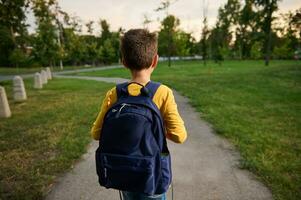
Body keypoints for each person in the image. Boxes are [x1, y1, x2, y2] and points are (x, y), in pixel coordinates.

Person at [91, 29, 187, 200]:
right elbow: (180, 136)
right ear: (155, 60)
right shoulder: (163, 93)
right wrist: (155, 130)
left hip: (123, 175)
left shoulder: (114, 94)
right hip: (153, 178)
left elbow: (96, 134)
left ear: (123, 62)